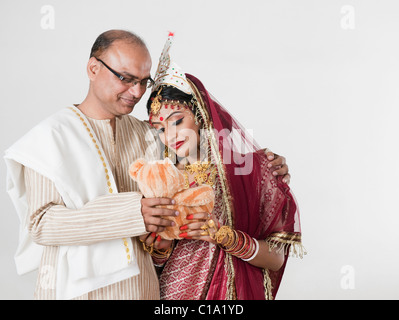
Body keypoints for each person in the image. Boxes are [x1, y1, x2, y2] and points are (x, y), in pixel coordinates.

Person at [4, 29, 289, 300]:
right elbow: (41, 225)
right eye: (126, 78)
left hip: (146, 290)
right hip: (76, 290)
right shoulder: (48, 138)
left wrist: (258, 162)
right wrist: (133, 211)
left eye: (144, 81)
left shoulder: (150, 135)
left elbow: (202, 145)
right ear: (93, 69)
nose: (137, 91)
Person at [139, 33, 304, 300]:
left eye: (177, 120)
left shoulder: (252, 171)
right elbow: (154, 265)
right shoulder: (160, 179)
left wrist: (225, 236)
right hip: (174, 296)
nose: (169, 136)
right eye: (159, 128)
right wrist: (161, 248)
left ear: (202, 114)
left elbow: (275, 259)